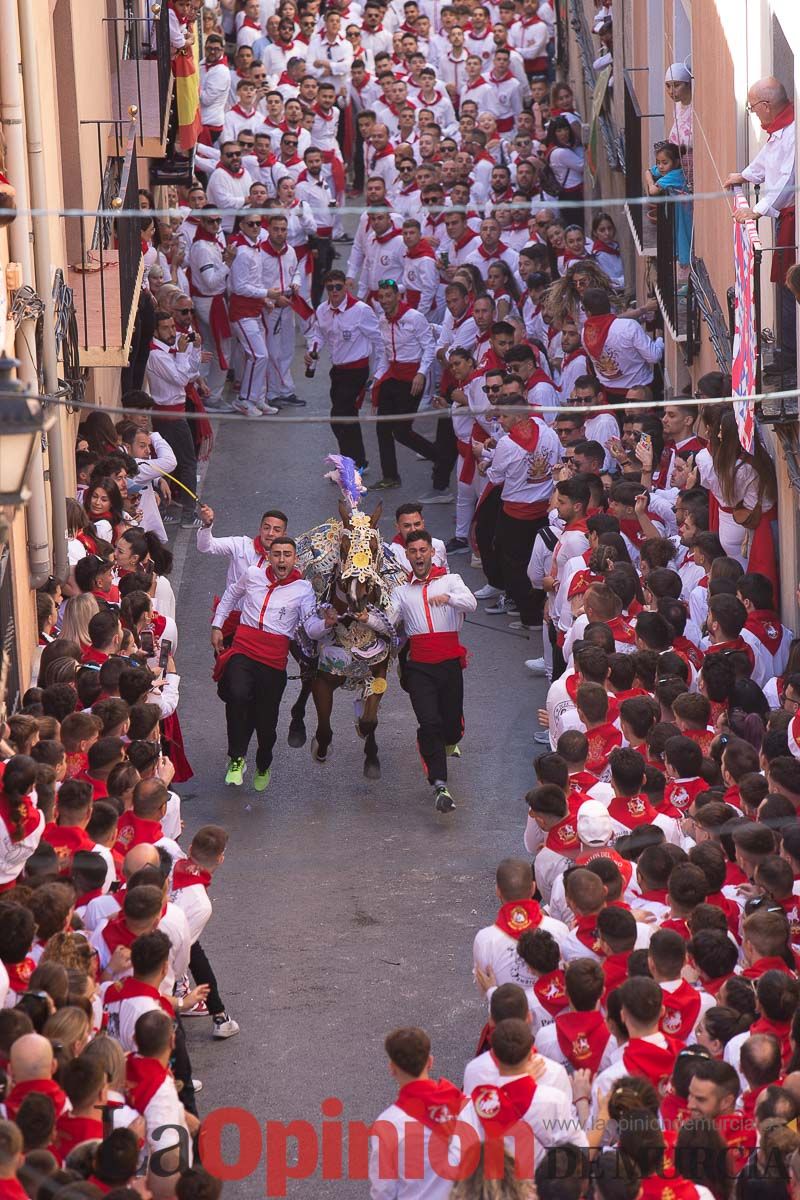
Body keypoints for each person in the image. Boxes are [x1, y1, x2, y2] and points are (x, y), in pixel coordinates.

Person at [211, 538, 316, 790]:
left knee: (265, 722)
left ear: (295, 559)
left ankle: (263, 762)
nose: (282, 559)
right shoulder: (252, 575)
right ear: (268, 557)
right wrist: (217, 624)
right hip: (243, 650)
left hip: (272, 661)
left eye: (287, 555)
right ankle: (236, 758)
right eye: (277, 554)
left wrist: (328, 623)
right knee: (236, 695)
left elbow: (311, 627)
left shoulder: (303, 589)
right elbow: (231, 595)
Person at [382, 530, 475, 812]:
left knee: (450, 727)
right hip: (419, 667)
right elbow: (388, 621)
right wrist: (367, 618)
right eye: (413, 552)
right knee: (429, 722)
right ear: (408, 556)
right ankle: (439, 784)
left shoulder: (451, 581)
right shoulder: (401, 591)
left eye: (423, 550)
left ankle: (452, 739)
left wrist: (448, 598)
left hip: (449, 664)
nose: (419, 556)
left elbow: (471, 603)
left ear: (431, 553)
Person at [724, 76, 796, 375]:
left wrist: (757, 211)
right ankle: (789, 350)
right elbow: (768, 162)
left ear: (767, 106)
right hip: (786, 218)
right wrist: (745, 175)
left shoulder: (793, 133)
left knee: (790, 285)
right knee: (784, 284)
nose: (753, 112)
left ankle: (792, 355)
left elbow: (788, 179)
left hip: (792, 219)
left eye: (753, 107)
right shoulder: (780, 128)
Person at [305, 269, 383, 471]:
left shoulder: (361, 310)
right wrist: (312, 350)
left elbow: (379, 341)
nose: (334, 291)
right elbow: (319, 334)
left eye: (338, 287)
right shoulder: (322, 310)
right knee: (347, 418)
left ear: (345, 287)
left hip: (357, 371)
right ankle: (355, 462)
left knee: (338, 416)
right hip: (338, 371)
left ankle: (351, 463)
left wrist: (378, 373)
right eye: (330, 288)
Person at [370, 280, 437, 491]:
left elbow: (429, 347)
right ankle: (390, 476)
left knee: (401, 431)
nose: (384, 301)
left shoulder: (415, 318)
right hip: (392, 377)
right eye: (381, 297)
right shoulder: (382, 320)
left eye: (388, 296)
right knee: (382, 428)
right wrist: (376, 378)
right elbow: (385, 355)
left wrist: (421, 374)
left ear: (398, 296)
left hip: (412, 379)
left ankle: (439, 456)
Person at [145, 310, 200, 529]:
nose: (172, 332)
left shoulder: (169, 350)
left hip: (173, 413)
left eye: (172, 327)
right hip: (170, 416)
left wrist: (192, 350)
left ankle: (166, 510)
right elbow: (181, 379)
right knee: (187, 464)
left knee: (172, 464)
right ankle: (188, 515)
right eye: (166, 328)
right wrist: (184, 354)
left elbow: (193, 373)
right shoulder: (157, 355)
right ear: (156, 331)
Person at [187, 206, 236, 411]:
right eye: (210, 221)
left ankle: (206, 391)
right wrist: (228, 263)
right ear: (202, 223)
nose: (216, 225)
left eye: (218, 220)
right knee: (221, 349)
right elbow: (210, 281)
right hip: (210, 302)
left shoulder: (211, 242)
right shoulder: (202, 248)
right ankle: (212, 396)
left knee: (208, 348)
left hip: (212, 300)